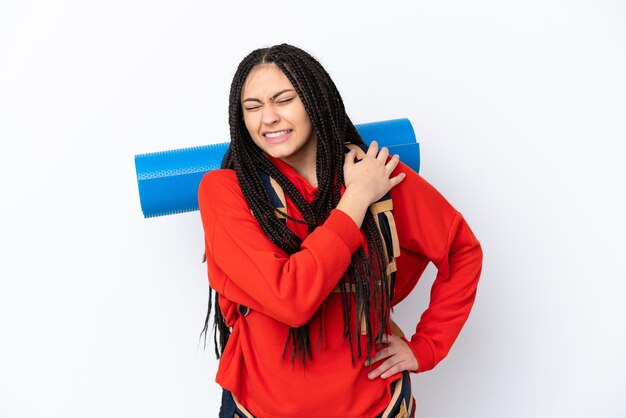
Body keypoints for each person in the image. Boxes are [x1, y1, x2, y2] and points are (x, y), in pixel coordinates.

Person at [197, 43, 483, 418]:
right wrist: (356, 199)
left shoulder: (379, 178)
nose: (267, 118)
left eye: (283, 100)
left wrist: (426, 346)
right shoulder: (226, 191)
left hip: (376, 409)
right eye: (252, 107)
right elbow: (291, 300)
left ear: (316, 101)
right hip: (258, 408)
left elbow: (461, 250)